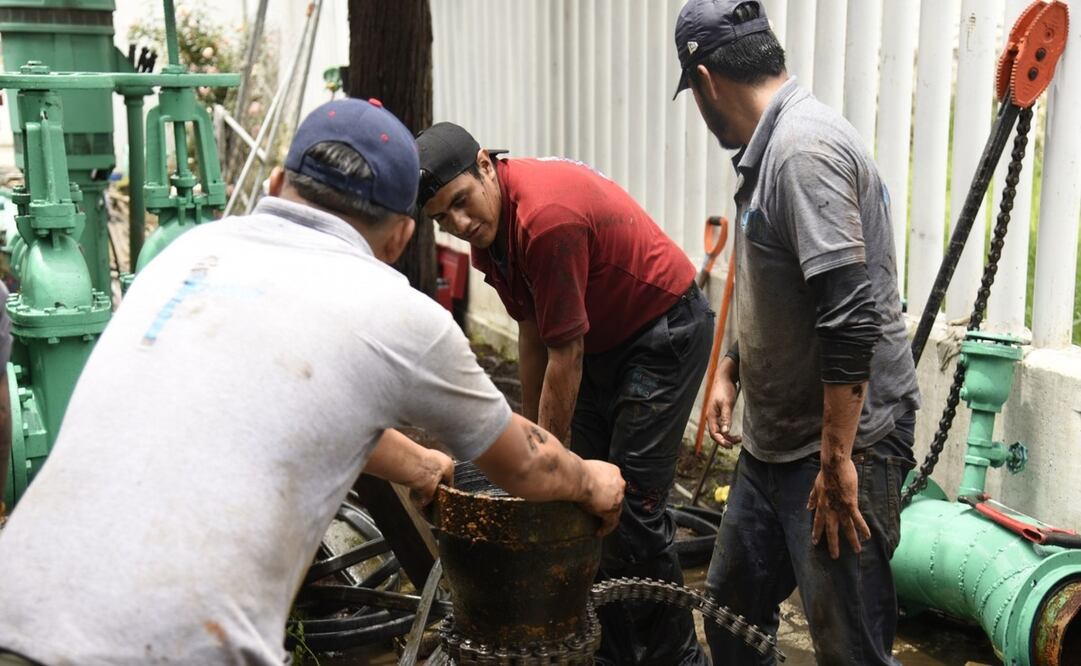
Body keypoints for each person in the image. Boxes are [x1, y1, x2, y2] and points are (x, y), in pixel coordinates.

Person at [0, 98, 625, 666]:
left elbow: (290, 403)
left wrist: (418, 464)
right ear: (404, 236)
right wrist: (590, 477)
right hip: (171, 649)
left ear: (276, 185)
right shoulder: (399, 314)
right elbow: (527, 468)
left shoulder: (186, 257)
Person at [673, 1, 922, 664]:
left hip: (841, 450)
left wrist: (838, 458)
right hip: (774, 447)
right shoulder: (769, 152)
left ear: (703, 81)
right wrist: (730, 366)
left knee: (849, 649)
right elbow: (776, 279)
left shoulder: (803, 152)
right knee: (730, 618)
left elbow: (849, 315)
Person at [416, 124, 713, 666]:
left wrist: (542, 470)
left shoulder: (544, 221)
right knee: (586, 498)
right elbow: (533, 333)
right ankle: (615, 653)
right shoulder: (493, 231)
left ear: (485, 165)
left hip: (662, 331)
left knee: (633, 508)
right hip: (602, 339)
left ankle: (677, 657)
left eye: (460, 203)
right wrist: (541, 451)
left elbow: (564, 355)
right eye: (441, 218)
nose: (458, 224)